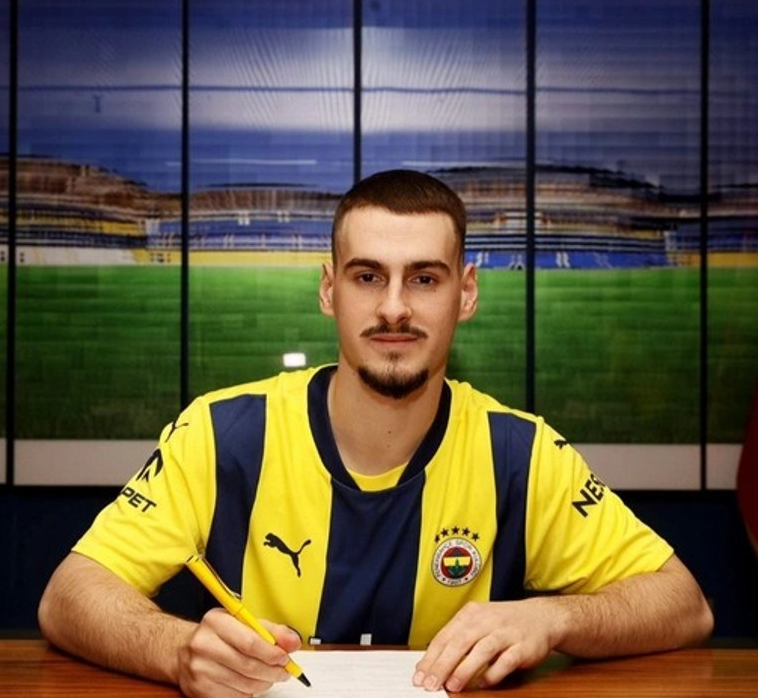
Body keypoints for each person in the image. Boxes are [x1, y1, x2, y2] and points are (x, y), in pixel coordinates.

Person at [38, 169, 714, 696]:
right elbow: (70, 595)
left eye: (424, 278)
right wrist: (178, 651)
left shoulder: (521, 453)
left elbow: (684, 605)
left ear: (466, 293)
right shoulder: (220, 432)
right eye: (368, 277)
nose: (394, 307)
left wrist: (553, 617)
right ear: (329, 290)